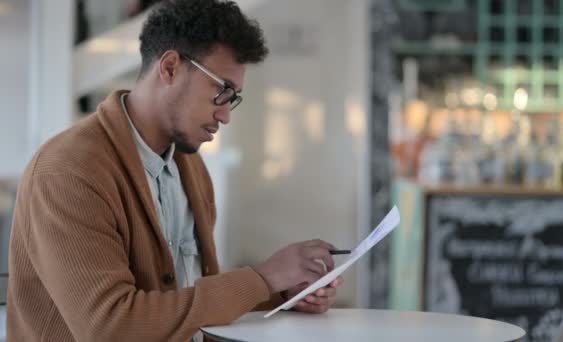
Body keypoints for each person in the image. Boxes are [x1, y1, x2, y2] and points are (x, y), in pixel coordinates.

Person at [7, 0, 343, 341]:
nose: (226, 115)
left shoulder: (190, 167)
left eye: (234, 98)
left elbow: (187, 300)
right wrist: (263, 278)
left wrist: (285, 293)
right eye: (222, 91)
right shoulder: (68, 172)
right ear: (169, 68)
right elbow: (110, 327)